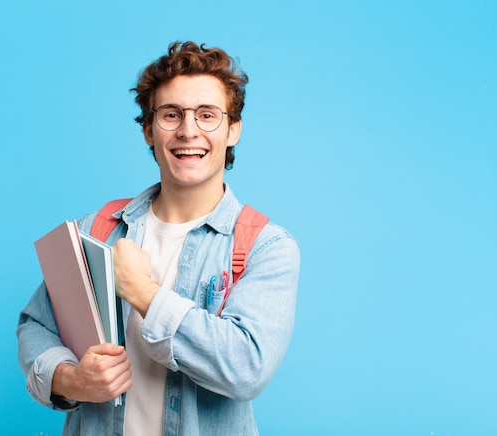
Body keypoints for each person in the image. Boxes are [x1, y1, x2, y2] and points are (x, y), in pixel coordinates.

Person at [17, 41, 300, 435]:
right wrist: (70, 379)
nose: (188, 131)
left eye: (207, 115)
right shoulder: (97, 229)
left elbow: (246, 368)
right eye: (171, 115)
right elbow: (36, 326)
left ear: (233, 129)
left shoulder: (266, 247)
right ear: (149, 130)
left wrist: (143, 293)